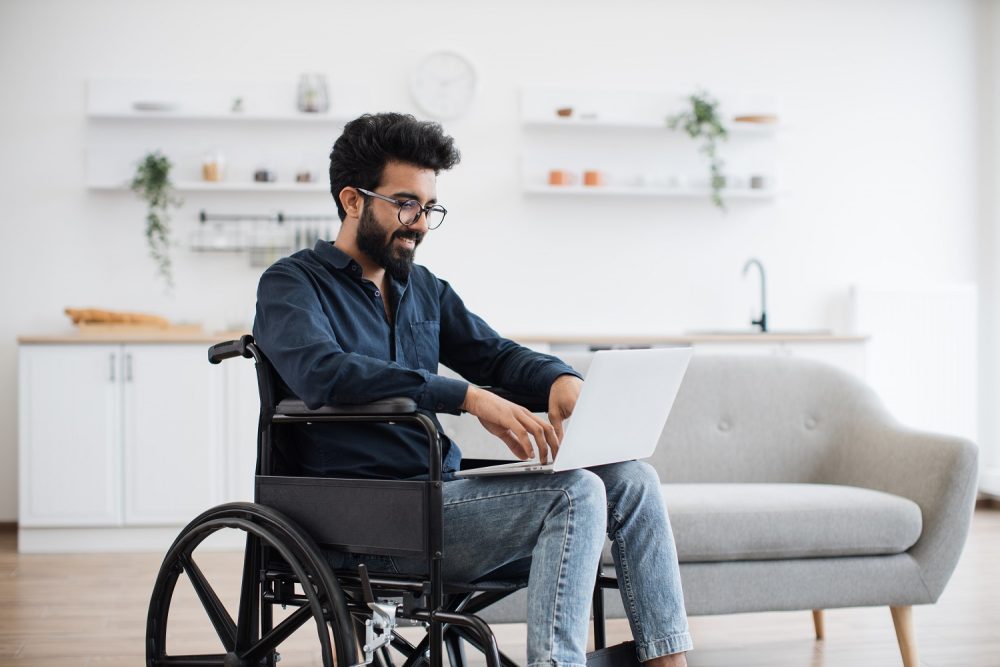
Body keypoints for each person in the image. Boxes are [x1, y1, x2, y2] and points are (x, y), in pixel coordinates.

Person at [253, 112, 692, 667]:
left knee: (632, 479)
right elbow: (323, 372)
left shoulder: (424, 290)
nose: (418, 222)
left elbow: (494, 355)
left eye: (429, 208)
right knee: (575, 491)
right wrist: (465, 396)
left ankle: (666, 661)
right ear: (352, 200)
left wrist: (559, 378)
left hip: (437, 497)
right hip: (363, 519)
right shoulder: (292, 284)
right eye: (405, 203)